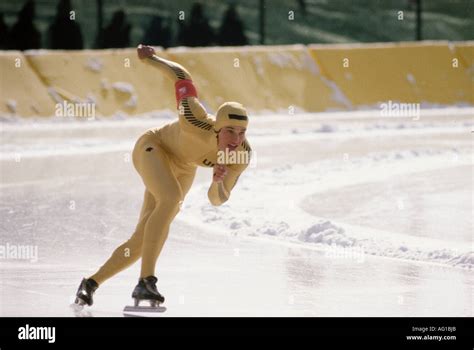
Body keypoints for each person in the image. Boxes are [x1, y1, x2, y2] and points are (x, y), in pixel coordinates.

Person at [74, 44, 251, 308]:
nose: (236, 140)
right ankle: (147, 280)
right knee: (171, 199)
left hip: (183, 167)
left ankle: (90, 284)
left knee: (142, 239)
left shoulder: (241, 154)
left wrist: (217, 183)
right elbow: (183, 78)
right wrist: (153, 59)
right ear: (217, 128)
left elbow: (217, 200)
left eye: (242, 133)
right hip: (153, 148)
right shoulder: (194, 119)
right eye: (230, 132)